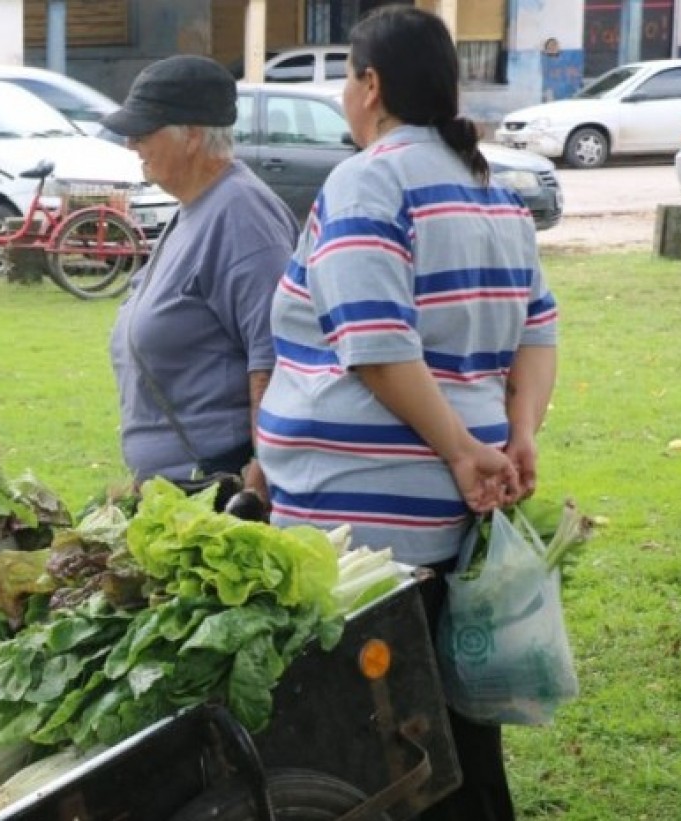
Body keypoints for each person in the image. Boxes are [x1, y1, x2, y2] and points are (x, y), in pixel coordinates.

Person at [255, 6, 558, 819]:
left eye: (346, 76)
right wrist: (517, 437)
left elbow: (377, 344)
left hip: (365, 534)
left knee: (379, 752)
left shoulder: (369, 179)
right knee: (449, 738)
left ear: (371, 84)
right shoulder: (488, 189)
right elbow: (538, 333)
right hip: (450, 518)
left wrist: (465, 448)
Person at [102, 54, 299, 500]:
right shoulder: (199, 206)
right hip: (179, 483)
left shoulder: (241, 214)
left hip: (219, 485)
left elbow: (273, 351)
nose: (133, 144)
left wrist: (264, 467)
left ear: (191, 136)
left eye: (144, 131)